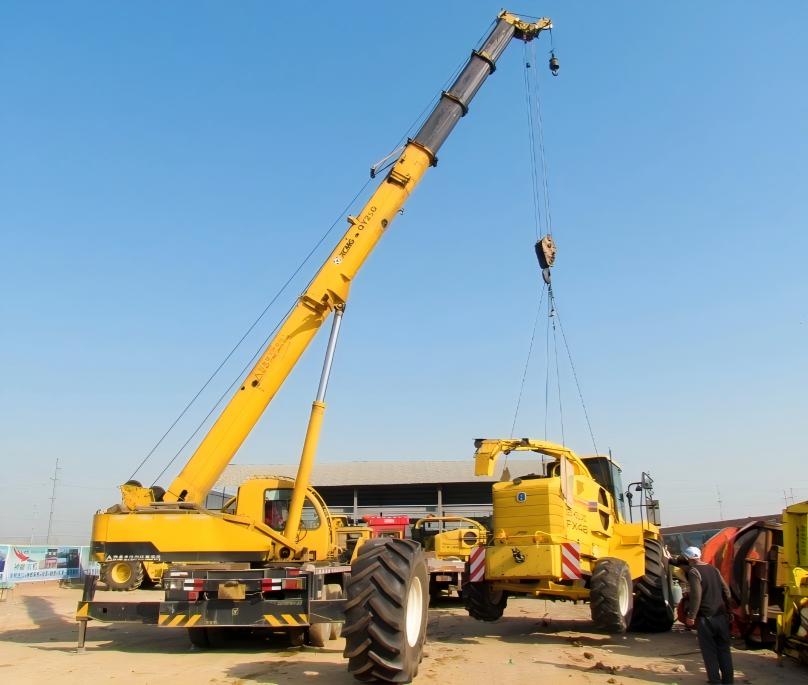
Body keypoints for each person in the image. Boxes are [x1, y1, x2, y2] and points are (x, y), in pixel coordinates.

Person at [683, 545, 734, 685]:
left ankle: (715, 681)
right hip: (721, 616)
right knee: (724, 649)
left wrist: (691, 616)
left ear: (688, 558)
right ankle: (728, 681)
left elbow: (696, 596)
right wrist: (729, 611)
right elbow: (726, 591)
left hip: (706, 618)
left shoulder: (694, 572)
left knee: (709, 651)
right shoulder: (713, 569)